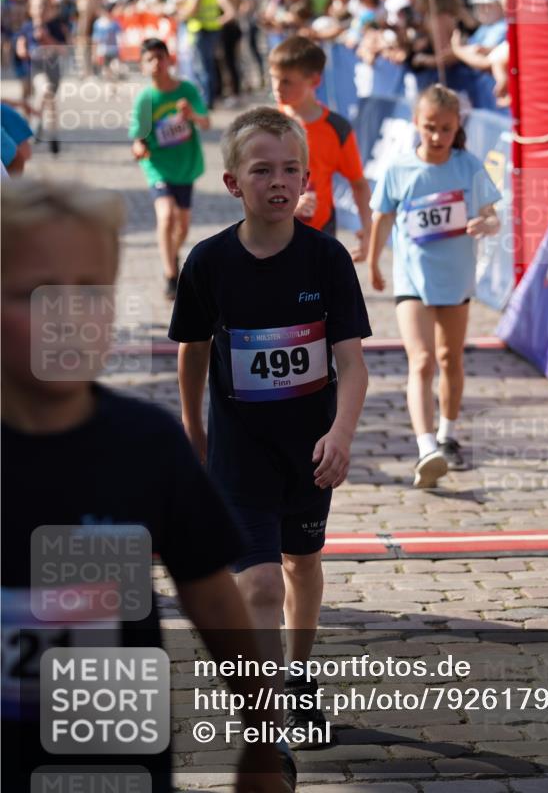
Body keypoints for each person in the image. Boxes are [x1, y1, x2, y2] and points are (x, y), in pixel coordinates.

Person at [0, 177, 286, 793]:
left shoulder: (146, 446)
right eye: (33, 293)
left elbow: (215, 603)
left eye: (90, 291)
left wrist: (262, 745)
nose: (67, 316)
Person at [169, 107, 370, 755]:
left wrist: (340, 433)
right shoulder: (208, 263)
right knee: (256, 582)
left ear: (306, 179)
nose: (278, 182)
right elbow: (192, 348)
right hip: (239, 449)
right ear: (232, 182)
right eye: (262, 171)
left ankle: (300, 676)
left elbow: (351, 363)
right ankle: (266, 721)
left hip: (310, 450)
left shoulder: (326, 260)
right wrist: (192, 430)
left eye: (290, 170)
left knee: (300, 566)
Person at [368, 84, 501, 484]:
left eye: (446, 128)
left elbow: (493, 216)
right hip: (413, 277)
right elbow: (382, 217)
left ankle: (448, 433)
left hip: (456, 276)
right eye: (430, 128)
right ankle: (426, 447)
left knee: (450, 359)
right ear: (416, 123)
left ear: (457, 124)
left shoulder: (468, 166)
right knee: (422, 360)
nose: (438, 137)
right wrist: (374, 262)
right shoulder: (399, 167)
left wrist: (485, 223)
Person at [268, 37, 372, 260]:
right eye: (273, 78)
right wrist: (284, 204)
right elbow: (249, 181)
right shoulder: (266, 123)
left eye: (287, 81)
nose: (277, 87)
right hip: (271, 232)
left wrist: (368, 231)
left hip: (319, 232)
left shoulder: (337, 129)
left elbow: (358, 184)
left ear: (314, 80)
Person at [128, 37, 210, 299]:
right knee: (166, 216)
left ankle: (172, 253)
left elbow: (206, 122)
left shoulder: (186, 90)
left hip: (185, 166)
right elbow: (138, 137)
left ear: (169, 60)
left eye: (160, 57)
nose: (156, 64)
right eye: (149, 60)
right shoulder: (145, 99)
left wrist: (191, 116)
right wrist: (139, 147)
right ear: (142, 66)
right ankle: (170, 275)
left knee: (183, 226)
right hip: (158, 167)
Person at [14, 0, 68, 154]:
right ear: (30, 9)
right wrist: (24, 49)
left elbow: (64, 50)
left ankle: (52, 134)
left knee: (50, 102)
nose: (40, 10)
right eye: (37, 7)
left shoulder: (55, 27)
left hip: (53, 70)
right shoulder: (26, 28)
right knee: (44, 90)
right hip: (36, 70)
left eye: (44, 7)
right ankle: (35, 126)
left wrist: (47, 38)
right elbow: (21, 50)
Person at [180, 0, 223, 109]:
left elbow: (193, 8)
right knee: (209, 66)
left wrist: (180, 14)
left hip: (200, 28)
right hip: (212, 27)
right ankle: (211, 97)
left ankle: (205, 100)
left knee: (202, 67)